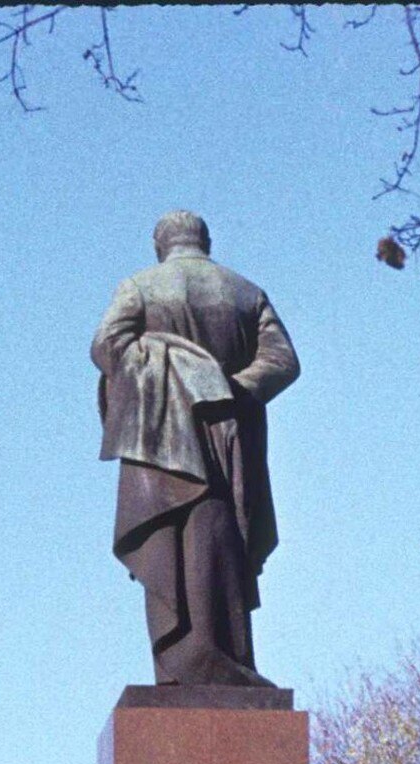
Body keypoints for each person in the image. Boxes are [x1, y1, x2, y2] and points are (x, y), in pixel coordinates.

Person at [92, 210, 300, 688]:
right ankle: (226, 662)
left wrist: (172, 371)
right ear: (205, 241)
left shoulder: (139, 286)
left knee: (168, 545)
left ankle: (187, 668)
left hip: (159, 445)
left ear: (159, 246)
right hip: (229, 440)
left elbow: (107, 347)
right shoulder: (246, 292)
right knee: (222, 541)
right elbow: (282, 361)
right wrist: (228, 389)